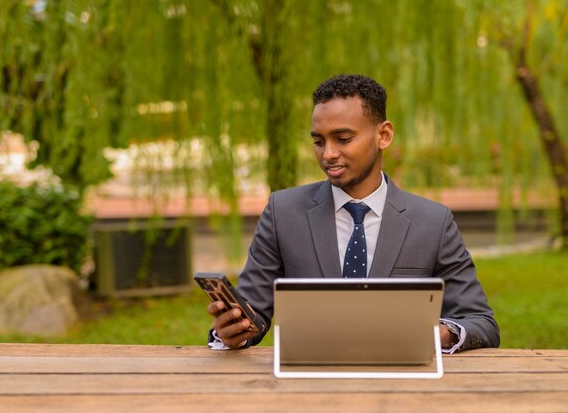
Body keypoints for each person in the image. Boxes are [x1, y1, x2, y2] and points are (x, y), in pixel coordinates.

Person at [206, 74, 500, 353]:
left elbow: (481, 323)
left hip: (401, 390)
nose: (328, 154)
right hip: (306, 388)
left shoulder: (433, 223)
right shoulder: (282, 213)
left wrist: (437, 333)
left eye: (343, 139)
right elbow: (252, 312)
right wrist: (234, 331)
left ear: (383, 135)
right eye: (318, 142)